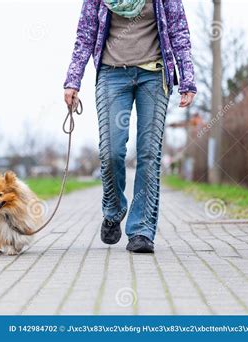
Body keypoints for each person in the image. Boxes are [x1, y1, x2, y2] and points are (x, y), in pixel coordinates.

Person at [64, 0, 196, 253]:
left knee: (148, 154)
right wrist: (73, 81)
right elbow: (85, 35)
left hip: (154, 76)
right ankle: (113, 210)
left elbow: (179, 32)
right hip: (111, 75)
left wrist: (187, 79)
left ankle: (141, 230)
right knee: (111, 151)